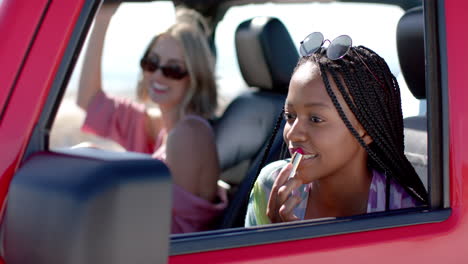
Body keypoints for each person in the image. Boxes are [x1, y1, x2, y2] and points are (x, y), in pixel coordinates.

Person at [245, 32, 428, 226]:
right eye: (290, 116)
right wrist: (272, 234)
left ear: (364, 130)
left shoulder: (402, 212)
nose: (292, 133)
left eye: (315, 119)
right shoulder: (270, 186)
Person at [76, 4, 227, 233]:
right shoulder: (159, 125)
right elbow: (89, 101)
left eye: (173, 69)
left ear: (195, 77)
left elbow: (167, 229)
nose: (157, 74)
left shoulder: (190, 134)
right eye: (152, 63)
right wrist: (102, 17)